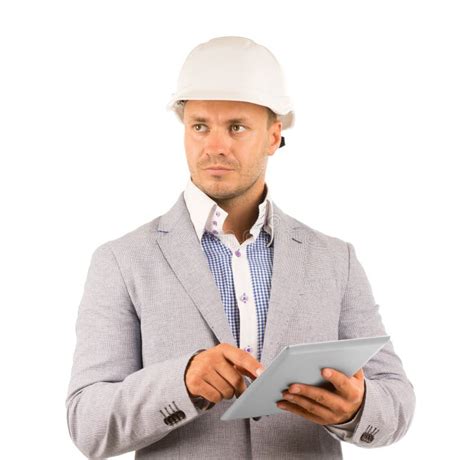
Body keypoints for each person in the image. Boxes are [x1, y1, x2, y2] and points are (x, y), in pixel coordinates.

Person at [65, 36, 415, 459]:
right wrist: (183, 382)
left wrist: (356, 408)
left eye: (236, 127)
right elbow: (88, 424)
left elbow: (396, 401)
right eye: (199, 126)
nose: (215, 146)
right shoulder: (122, 261)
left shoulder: (334, 260)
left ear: (272, 136)